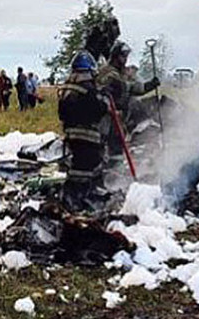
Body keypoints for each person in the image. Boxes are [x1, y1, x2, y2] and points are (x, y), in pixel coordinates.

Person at [58, 51, 107, 211]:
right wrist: (104, 101)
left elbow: (62, 113)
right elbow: (98, 110)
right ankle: (80, 198)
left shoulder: (67, 87)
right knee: (86, 167)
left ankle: (74, 196)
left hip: (71, 134)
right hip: (87, 135)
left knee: (78, 166)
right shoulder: (88, 88)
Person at [96, 43, 158, 155]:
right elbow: (124, 87)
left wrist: (149, 85)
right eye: (123, 56)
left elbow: (132, 87)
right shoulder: (107, 72)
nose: (125, 60)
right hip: (106, 119)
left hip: (117, 120)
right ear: (116, 56)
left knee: (117, 148)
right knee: (106, 148)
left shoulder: (121, 73)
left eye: (126, 56)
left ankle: (113, 169)